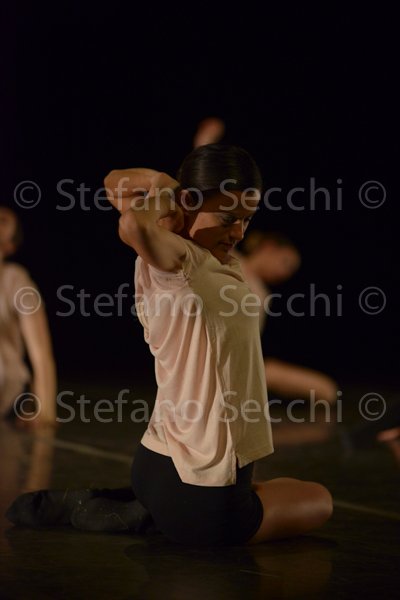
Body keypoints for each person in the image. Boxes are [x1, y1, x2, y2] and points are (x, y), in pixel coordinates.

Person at [6, 145, 332, 546]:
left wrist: (169, 188)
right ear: (188, 203)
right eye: (229, 219)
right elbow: (131, 222)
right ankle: (153, 515)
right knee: (319, 499)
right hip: (207, 500)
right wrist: (170, 189)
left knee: (281, 488)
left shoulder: (184, 256)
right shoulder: (180, 259)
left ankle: (140, 509)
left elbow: (114, 182)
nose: (239, 233)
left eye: (247, 219)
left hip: (156, 464)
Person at [238, 231, 338, 405]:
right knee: (326, 390)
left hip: (242, 361)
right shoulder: (227, 259)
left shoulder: (261, 294)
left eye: (291, 271)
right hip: (221, 358)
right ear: (269, 247)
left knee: (327, 390)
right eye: (285, 263)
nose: (285, 273)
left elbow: (249, 341)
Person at [0, 206, 57, 428]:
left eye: (3, 220)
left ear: (10, 245)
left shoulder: (16, 280)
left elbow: (41, 354)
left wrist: (45, 412)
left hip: (7, 389)